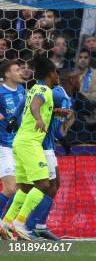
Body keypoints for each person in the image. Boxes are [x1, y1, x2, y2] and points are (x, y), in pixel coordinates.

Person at [0, 57, 59, 240]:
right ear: (51, 74)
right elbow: (35, 105)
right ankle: (21, 223)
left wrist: (13, 120)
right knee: (43, 184)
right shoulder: (44, 90)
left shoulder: (32, 88)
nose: (58, 76)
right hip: (29, 143)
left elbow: (26, 105)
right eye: (56, 72)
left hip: (19, 142)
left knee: (24, 187)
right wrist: (39, 119)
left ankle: (6, 222)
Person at [0, 60, 26, 222]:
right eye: (17, 70)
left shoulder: (22, 90)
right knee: (10, 189)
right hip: (4, 145)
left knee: (21, 190)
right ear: (7, 74)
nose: (21, 72)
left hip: (21, 145)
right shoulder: (0, 92)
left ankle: (4, 224)